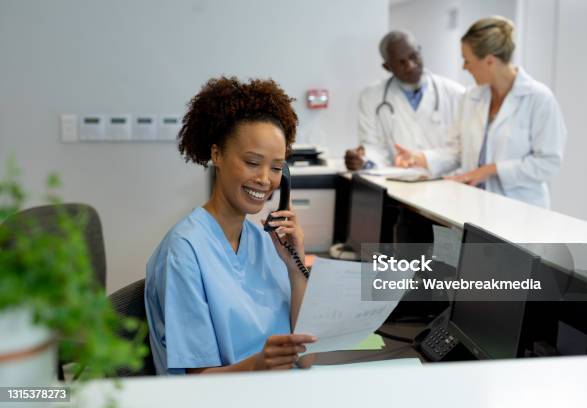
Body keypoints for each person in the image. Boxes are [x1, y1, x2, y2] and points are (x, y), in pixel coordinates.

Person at [145, 77, 316, 374]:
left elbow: (307, 357)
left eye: (276, 168)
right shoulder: (184, 251)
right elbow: (198, 382)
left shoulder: (266, 241)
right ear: (217, 155)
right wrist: (258, 365)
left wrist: (295, 266)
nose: (265, 179)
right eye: (252, 162)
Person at [395, 16, 567, 208]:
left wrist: (492, 170)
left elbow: (548, 163)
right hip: (473, 206)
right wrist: (421, 158)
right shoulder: (471, 97)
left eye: (467, 60)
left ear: (489, 61)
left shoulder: (538, 98)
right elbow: (457, 151)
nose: (464, 67)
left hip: (520, 209)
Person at [345, 30, 465, 170]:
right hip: (397, 183)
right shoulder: (370, 97)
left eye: (414, 56)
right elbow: (373, 146)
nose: (410, 66)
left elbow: (460, 149)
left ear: (420, 51)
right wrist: (363, 160)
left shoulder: (456, 93)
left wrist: (423, 159)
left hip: (446, 182)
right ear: (387, 67)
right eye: (401, 62)